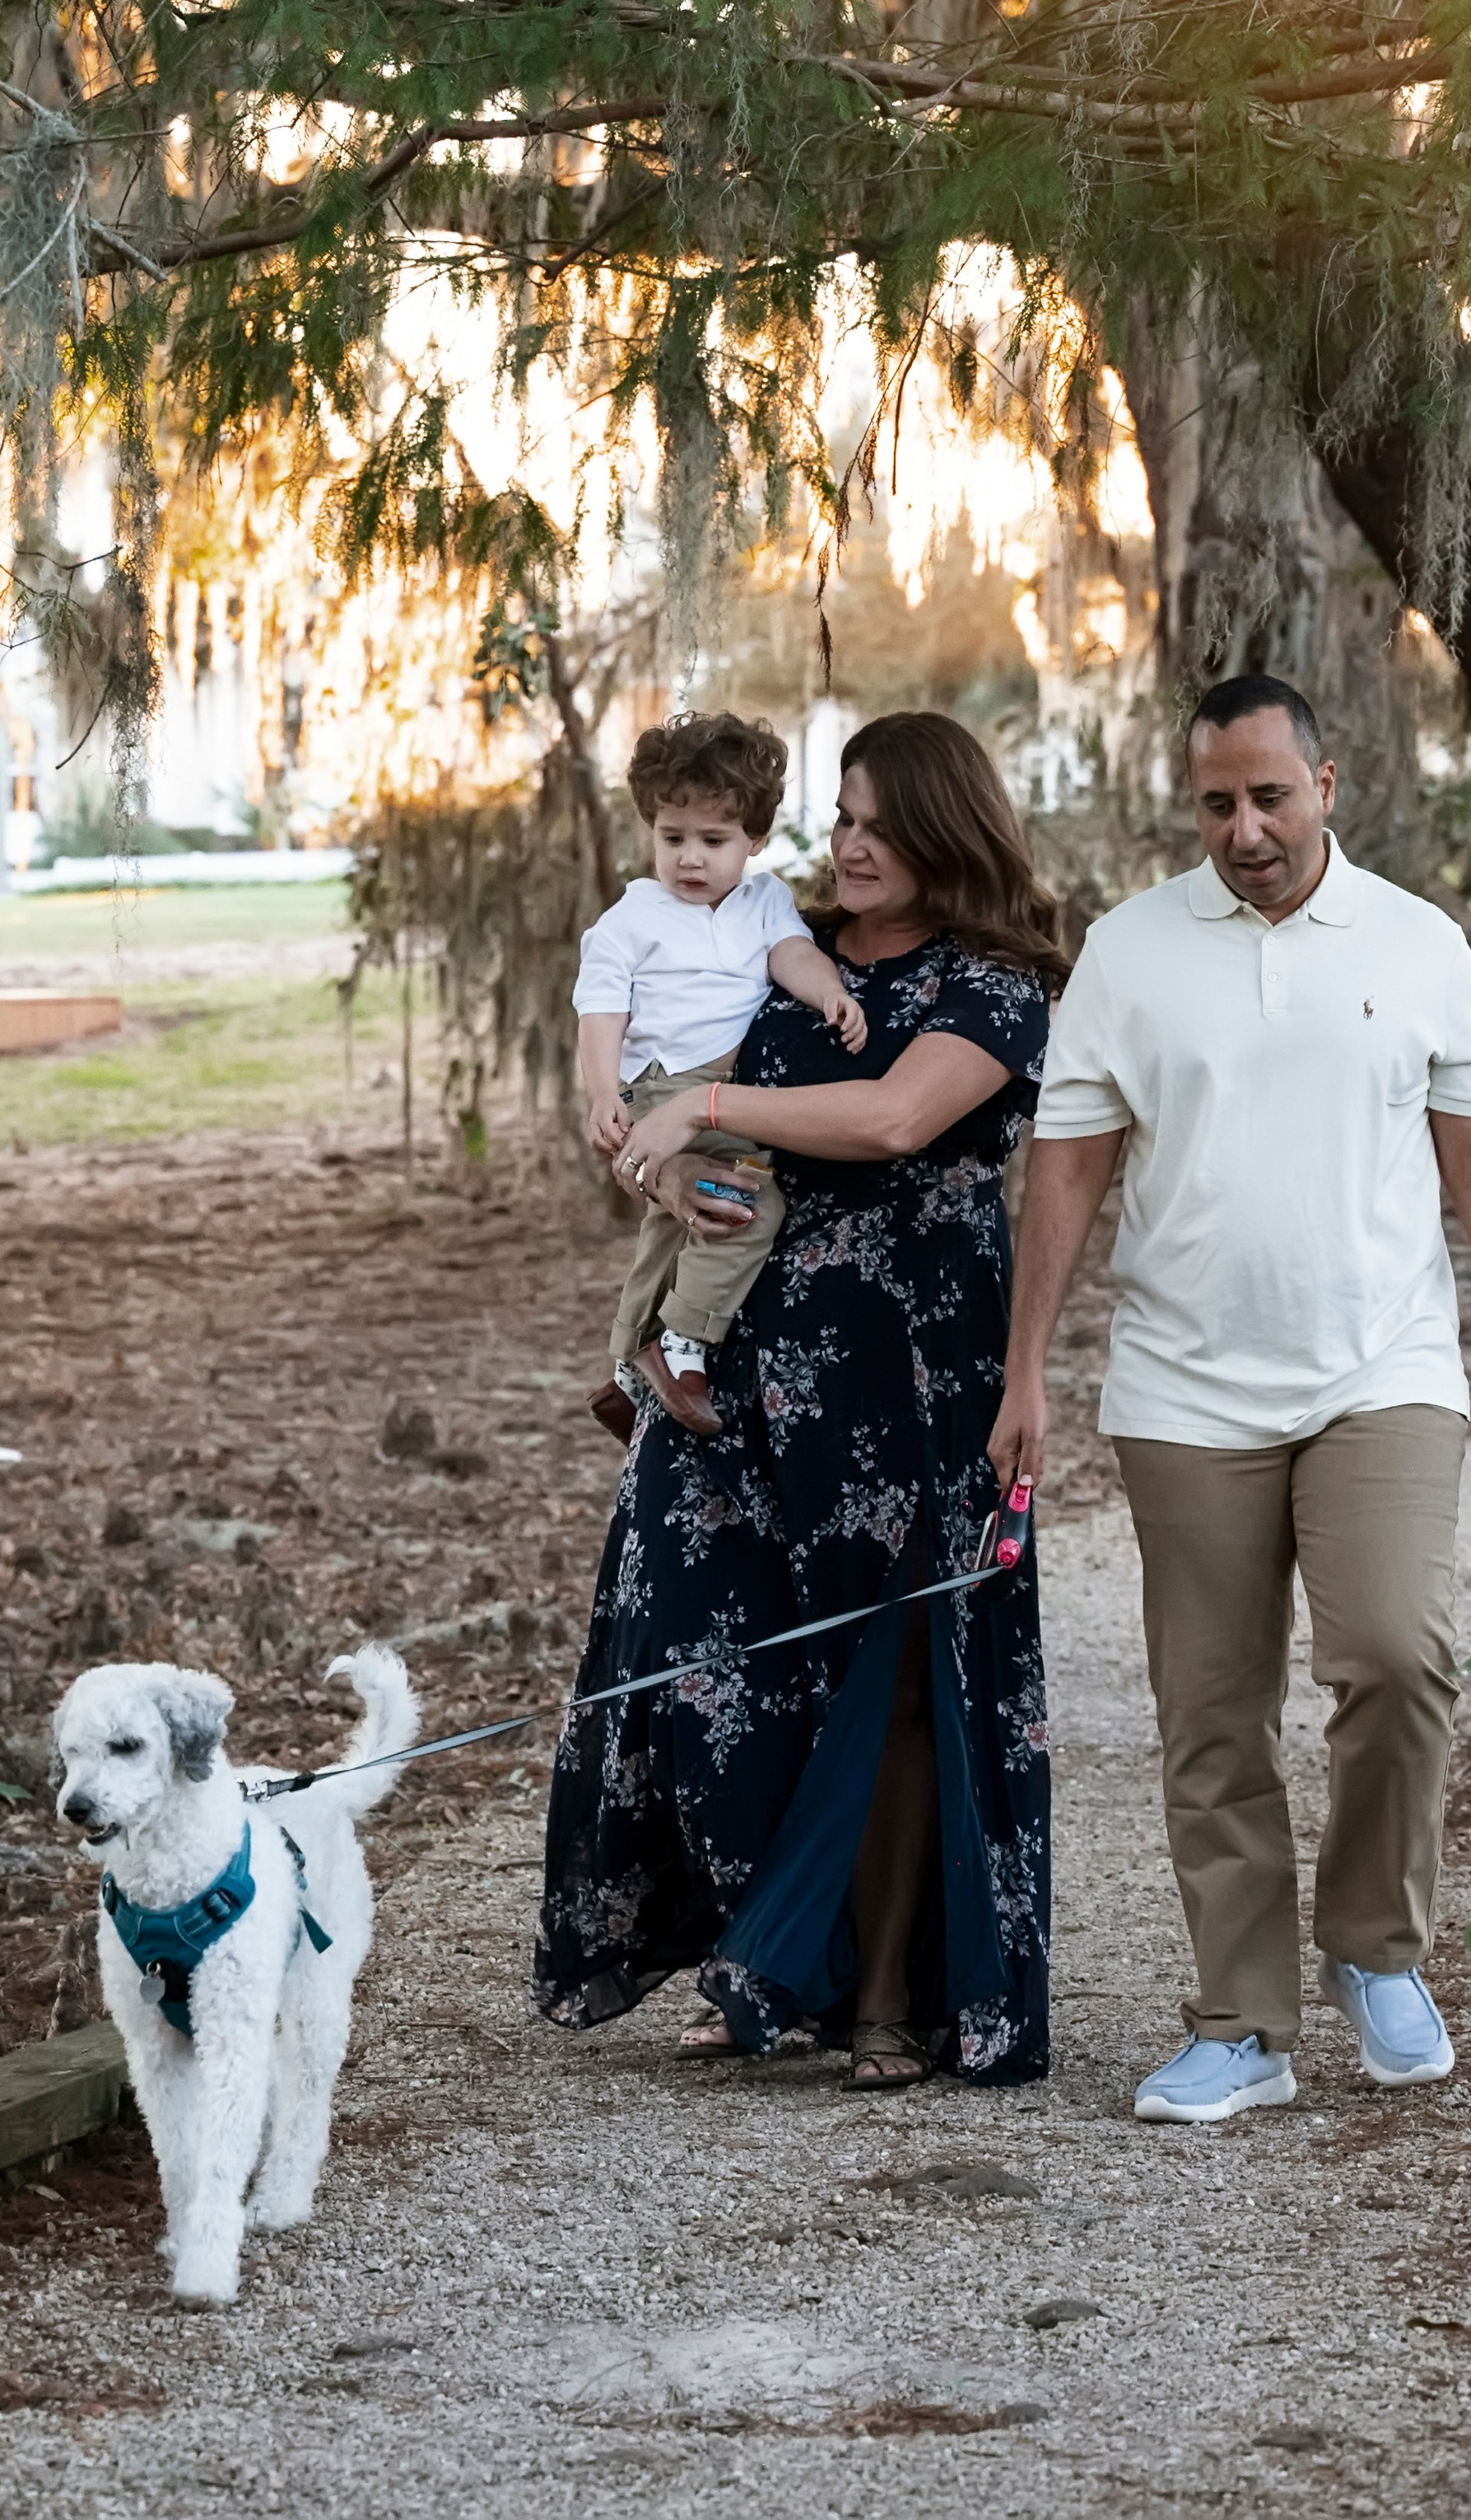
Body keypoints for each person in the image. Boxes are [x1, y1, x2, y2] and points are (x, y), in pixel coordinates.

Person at [988, 672, 1471, 2123]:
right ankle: (1241, 2024)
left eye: (1268, 796)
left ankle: (1374, 1945)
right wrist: (1026, 1367)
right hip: (1183, 1388)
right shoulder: (1129, 951)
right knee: (1211, 1709)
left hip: (1383, 1367)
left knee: (1398, 1654)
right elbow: (1067, 1167)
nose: (1244, 830)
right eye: (1216, 804)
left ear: (1328, 784)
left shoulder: (1419, 943)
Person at [538, 710, 1064, 2089]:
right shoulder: (780, 942)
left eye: (881, 821)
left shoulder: (996, 980)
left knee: (890, 1674)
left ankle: (886, 1991)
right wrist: (665, 1168)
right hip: (739, 1357)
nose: (852, 843)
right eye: (842, 817)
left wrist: (709, 1111)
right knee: (712, 1652)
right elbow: (658, 1090)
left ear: (946, 824)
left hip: (912, 1368)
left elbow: (894, 1116)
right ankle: (767, 1961)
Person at [573, 710, 865, 1442]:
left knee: (675, 1222)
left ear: (754, 840)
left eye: (713, 840)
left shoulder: (765, 903)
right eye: (672, 838)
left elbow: (792, 955)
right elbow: (601, 1009)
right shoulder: (632, 918)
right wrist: (603, 1092)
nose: (690, 860)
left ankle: (624, 1360)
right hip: (666, 1085)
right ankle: (684, 1343)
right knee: (745, 1203)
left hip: (727, 1093)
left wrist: (829, 991)